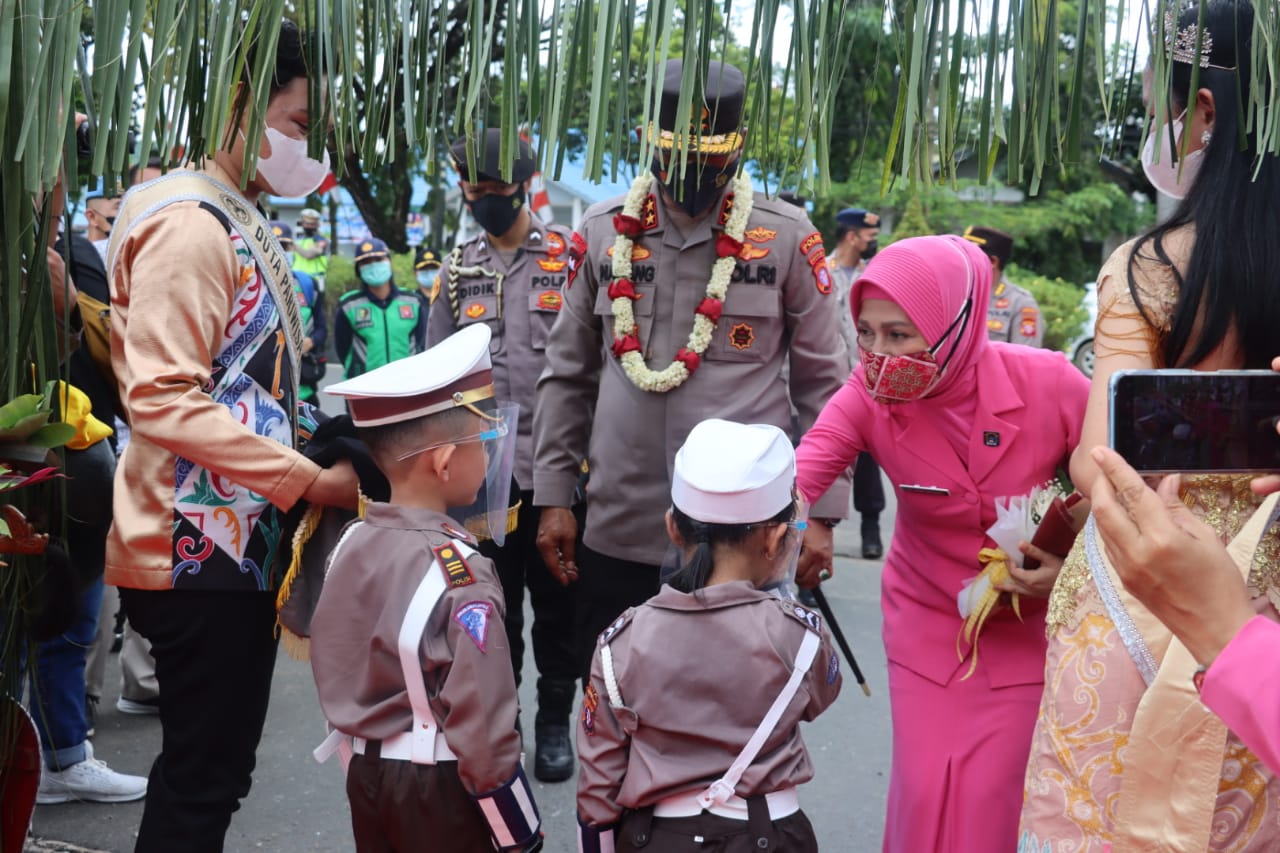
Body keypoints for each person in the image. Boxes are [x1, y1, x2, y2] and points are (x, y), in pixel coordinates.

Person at [1019, 2, 1280, 848]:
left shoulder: (1150, 266)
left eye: (1161, 105)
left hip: (1141, 586)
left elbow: (1100, 466)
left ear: (1205, 110)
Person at [105, 20, 359, 852]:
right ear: (240, 105)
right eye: (295, 124)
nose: (305, 147)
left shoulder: (227, 210)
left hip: (225, 545)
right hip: (193, 549)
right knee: (202, 779)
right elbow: (164, 399)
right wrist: (307, 481)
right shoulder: (190, 224)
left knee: (208, 774)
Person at [533, 59, 852, 682]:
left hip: (744, 540)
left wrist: (822, 515)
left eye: (712, 164)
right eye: (680, 161)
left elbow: (825, 389)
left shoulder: (785, 237)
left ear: (736, 155)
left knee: (738, 702)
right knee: (615, 694)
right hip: (620, 524)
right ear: (651, 144)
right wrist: (552, 501)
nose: (695, 180)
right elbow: (567, 374)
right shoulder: (602, 234)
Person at [793, 234, 1089, 851]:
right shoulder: (869, 393)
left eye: (899, 335)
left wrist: (1069, 572)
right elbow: (802, 473)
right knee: (925, 787)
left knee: (992, 792)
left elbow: (1128, 490)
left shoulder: (1051, 385)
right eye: (867, 334)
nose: (879, 355)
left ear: (958, 322)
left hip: (1026, 620)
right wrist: (742, 519)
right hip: (927, 621)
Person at [312, 324, 542, 853]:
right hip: (437, 784)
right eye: (484, 442)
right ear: (443, 462)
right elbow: (483, 724)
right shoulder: (463, 570)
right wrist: (519, 833)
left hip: (364, 772)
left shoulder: (352, 541)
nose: (489, 457)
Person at [577, 418, 840, 852]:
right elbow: (820, 696)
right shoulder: (799, 636)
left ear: (672, 527)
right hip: (770, 835)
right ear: (777, 538)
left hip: (655, 837)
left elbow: (599, 774)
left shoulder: (620, 640)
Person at [427, 129, 578, 782]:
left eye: (497, 191)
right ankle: (507, 723)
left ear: (523, 187)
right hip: (484, 475)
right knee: (493, 605)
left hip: (559, 467)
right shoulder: (457, 271)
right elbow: (432, 372)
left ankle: (553, 721)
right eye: (476, 192)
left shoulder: (567, 262)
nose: (487, 202)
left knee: (562, 606)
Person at [828, 207, 887, 559]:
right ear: (851, 236)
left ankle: (871, 525)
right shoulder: (819, 269)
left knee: (867, 457)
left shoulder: (875, 274)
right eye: (869, 236)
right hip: (826, 379)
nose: (873, 242)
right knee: (825, 456)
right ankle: (815, 529)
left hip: (866, 378)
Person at [335, 237, 427, 380]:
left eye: (378, 260)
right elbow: (343, 349)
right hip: (362, 387)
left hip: (408, 385)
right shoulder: (349, 306)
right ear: (358, 270)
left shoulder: (413, 302)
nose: (373, 265)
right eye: (366, 262)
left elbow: (422, 344)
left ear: (389, 262)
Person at [961, 225, 1043, 348]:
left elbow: (1024, 358)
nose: (960, 259)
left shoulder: (1021, 303)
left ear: (993, 262)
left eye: (967, 255)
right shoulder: (955, 294)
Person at [271, 221, 327, 402]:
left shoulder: (308, 284)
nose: (280, 250)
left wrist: (310, 342)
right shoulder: (250, 285)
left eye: (285, 245)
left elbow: (322, 328)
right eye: (274, 244)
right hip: (263, 392)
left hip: (304, 391)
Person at [293, 206, 330, 295]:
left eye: (312, 224)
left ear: (317, 225)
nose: (309, 226)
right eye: (306, 223)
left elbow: (308, 255)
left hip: (315, 280)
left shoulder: (321, 240)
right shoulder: (299, 240)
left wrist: (294, 246)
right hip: (298, 279)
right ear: (302, 224)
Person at [413, 244, 442, 309]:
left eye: (433, 268)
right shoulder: (410, 301)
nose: (429, 272)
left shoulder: (448, 299)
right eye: (424, 269)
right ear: (415, 273)